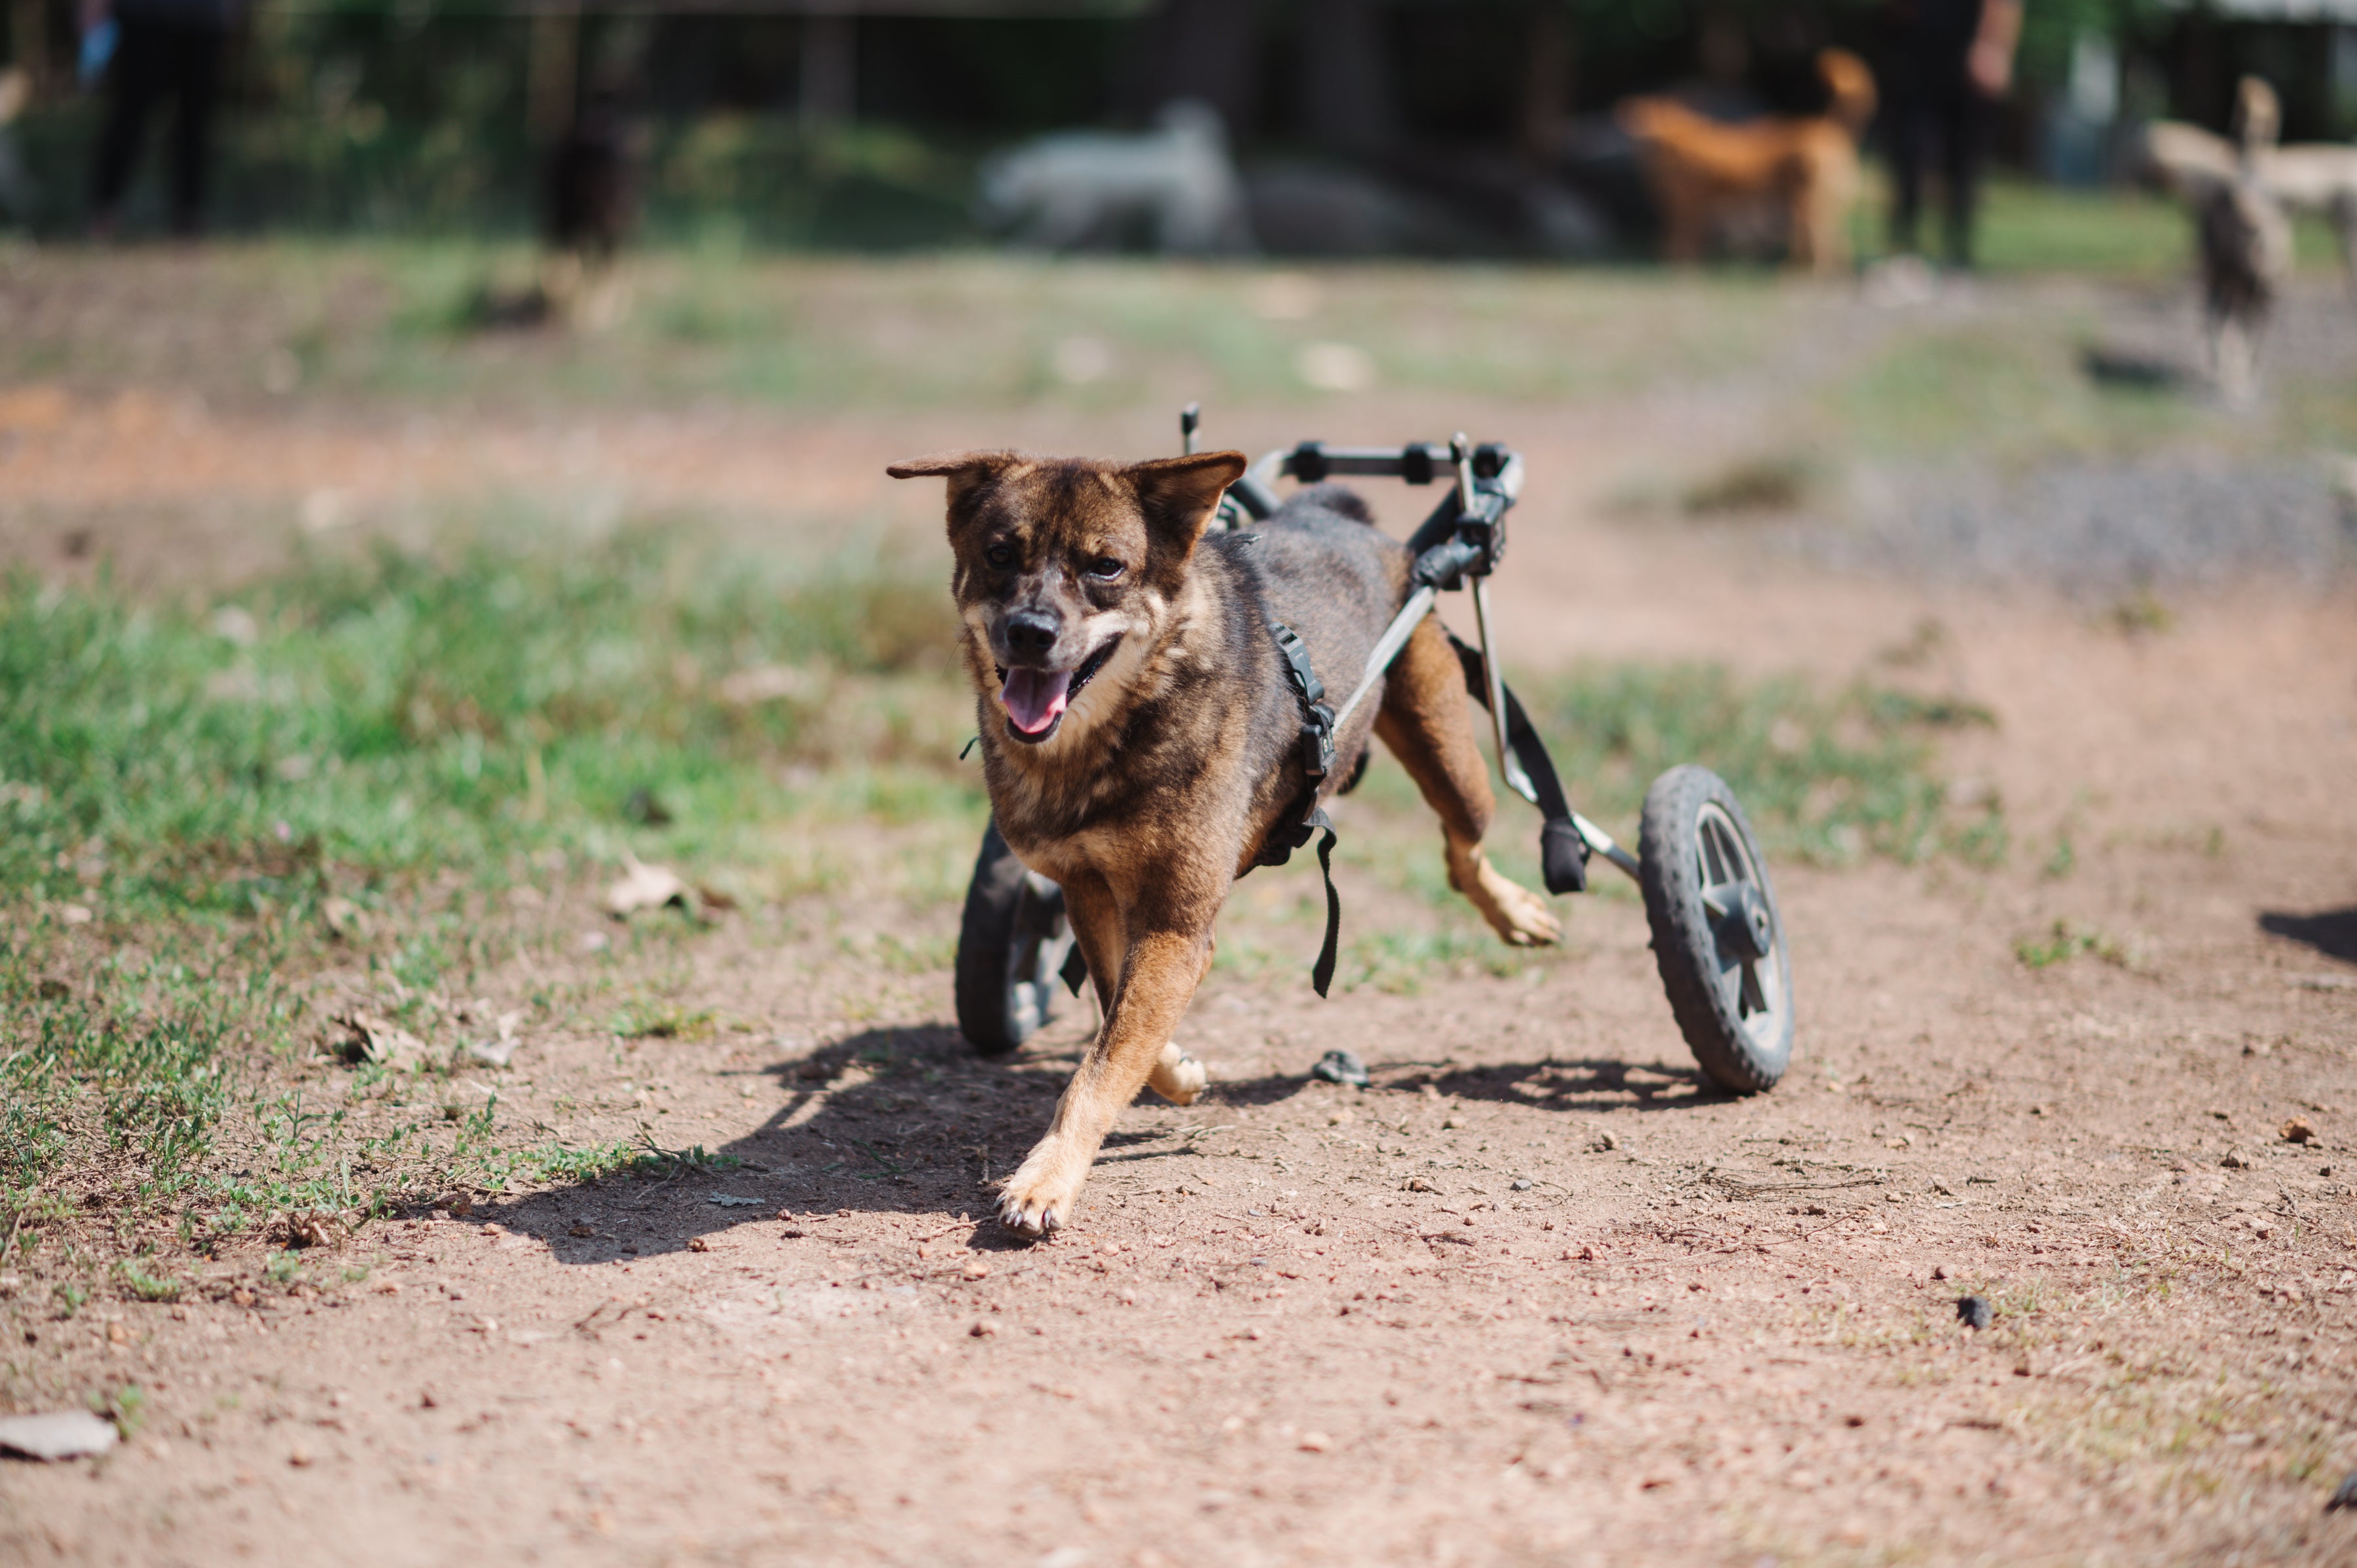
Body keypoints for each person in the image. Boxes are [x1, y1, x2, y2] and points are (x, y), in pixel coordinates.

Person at [1882, 0, 2020, 266]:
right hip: (1918, 53)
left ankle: (1957, 253)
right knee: (1909, 153)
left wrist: (1995, 48)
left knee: (1964, 163)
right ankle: (1904, 248)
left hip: (1969, 50)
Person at [85, 0, 241, 238]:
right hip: (143, 14)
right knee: (130, 113)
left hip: (204, 18)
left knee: (196, 122)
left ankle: (190, 215)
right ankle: (104, 209)